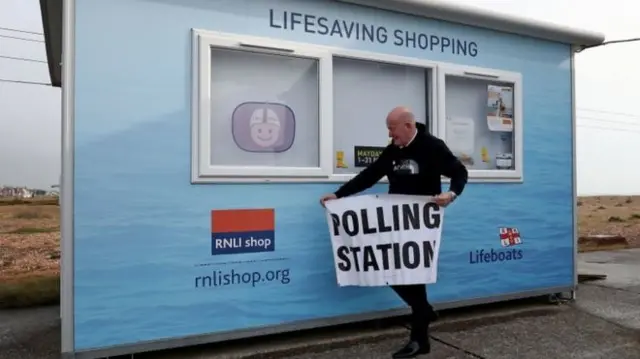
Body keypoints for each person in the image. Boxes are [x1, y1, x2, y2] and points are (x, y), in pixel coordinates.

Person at [320, 106, 468, 359]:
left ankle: (420, 339)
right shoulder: (392, 150)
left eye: (392, 128)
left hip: (420, 221)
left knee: (414, 275)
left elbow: (459, 172)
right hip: (394, 220)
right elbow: (370, 175)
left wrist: (451, 194)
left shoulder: (432, 146)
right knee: (384, 266)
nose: (390, 134)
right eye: (388, 129)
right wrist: (338, 195)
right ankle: (423, 310)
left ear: (408, 126)